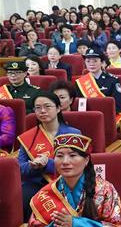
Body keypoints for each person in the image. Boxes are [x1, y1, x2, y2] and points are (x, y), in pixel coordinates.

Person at [18, 91, 83, 219]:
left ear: (58, 108)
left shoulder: (73, 134)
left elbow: (78, 164)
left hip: (67, 182)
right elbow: (20, 168)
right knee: (24, 197)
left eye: (47, 106)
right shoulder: (28, 137)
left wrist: (47, 163)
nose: (42, 111)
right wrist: (33, 166)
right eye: (38, 108)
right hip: (36, 183)